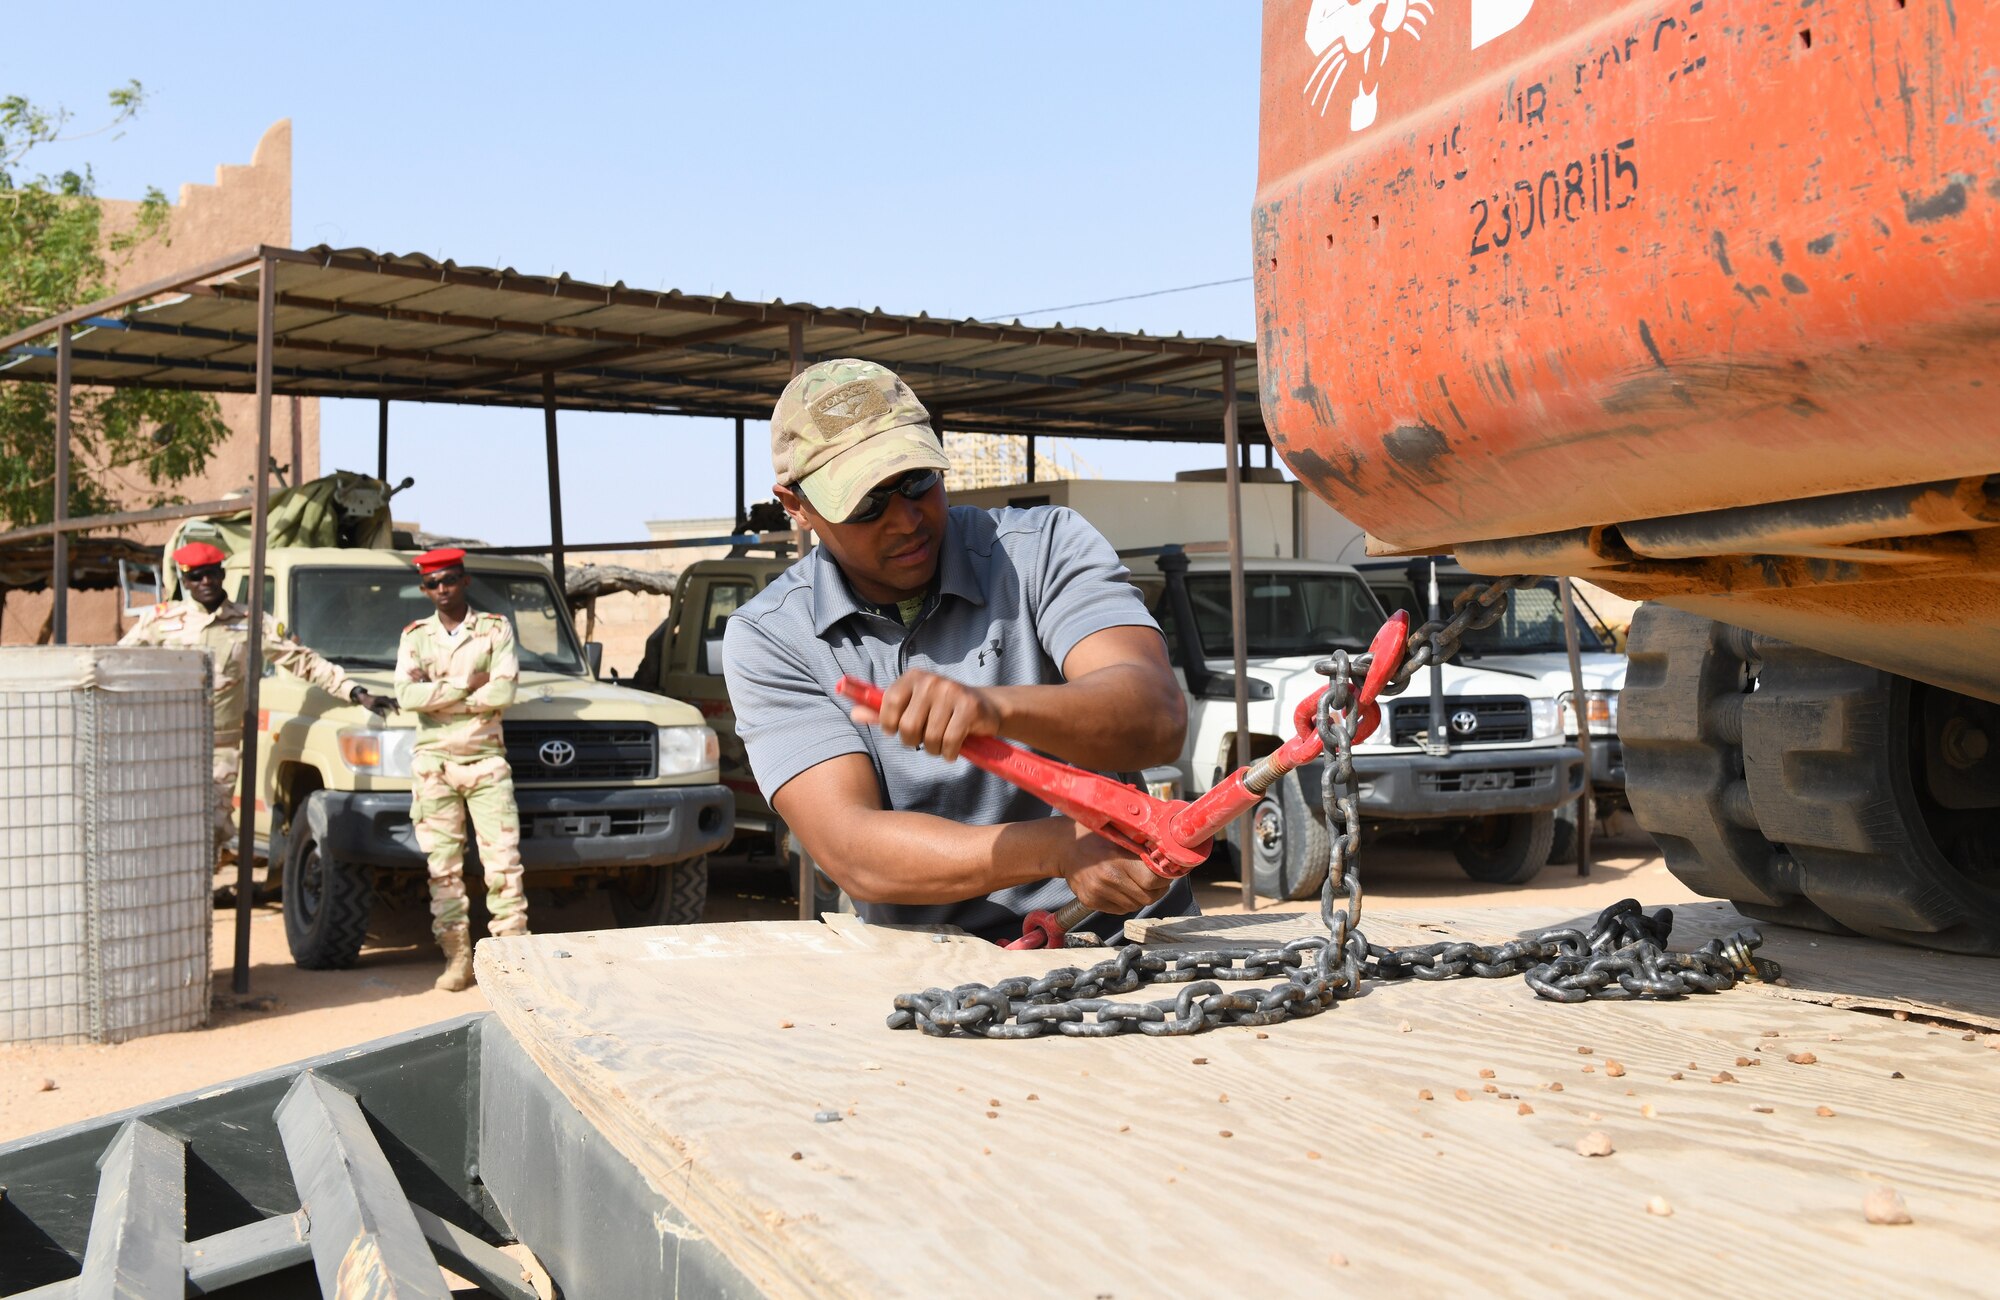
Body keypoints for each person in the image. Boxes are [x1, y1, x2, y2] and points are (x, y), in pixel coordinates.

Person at [723, 359, 1194, 945]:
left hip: (1141, 942)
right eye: (867, 504)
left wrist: (993, 709)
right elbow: (852, 850)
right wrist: (1060, 848)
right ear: (796, 506)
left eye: (917, 479)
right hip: (937, 978)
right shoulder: (772, 638)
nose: (906, 519)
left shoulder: (1042, 550)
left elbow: (1156, 717)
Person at [121, 541, 396, 889]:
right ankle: (159, 893)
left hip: (219, 747)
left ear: (222, 574)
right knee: (163, 823)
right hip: (166, 744)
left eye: (211, 574)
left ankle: (194, 898)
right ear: (186, 581)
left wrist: (356, 692)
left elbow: (303, 661)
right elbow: (119, 662)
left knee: (212, 826)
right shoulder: (160, 622)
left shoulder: (250, 623)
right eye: (196, 576)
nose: (205, 581)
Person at [394, 547, 528, 991]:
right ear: (423, 589)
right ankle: (457, 957)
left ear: (464, 581)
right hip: (434, 766)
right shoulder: (415, 637)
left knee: (503, 864)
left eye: (449, 580)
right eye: (433, 583)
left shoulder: (494, 629)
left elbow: (503, 691)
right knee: (443, 869)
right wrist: (465, 687)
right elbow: (405, 696)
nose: (442, 590)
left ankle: (513, 960)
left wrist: (443, 698)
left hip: (486, 763)